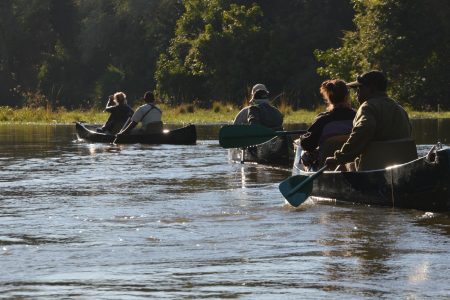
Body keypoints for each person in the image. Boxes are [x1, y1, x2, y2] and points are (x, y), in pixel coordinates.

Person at [325, 70, 414, 171]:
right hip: (403, 169)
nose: (357, 93)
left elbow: (363, 130)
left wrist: (338, 158)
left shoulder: (367, 107)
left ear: (371, 88)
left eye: (359, 88)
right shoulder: (400, 109)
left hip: (373, 170)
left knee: (341, 165)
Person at [298, 79, 356, 170]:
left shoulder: (323, 120)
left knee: (303, 153)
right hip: (352, 166)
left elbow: (307, 145)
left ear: (328, 98)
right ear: (347, 96)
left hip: (326, 167)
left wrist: (302, 138)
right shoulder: (357, 117)